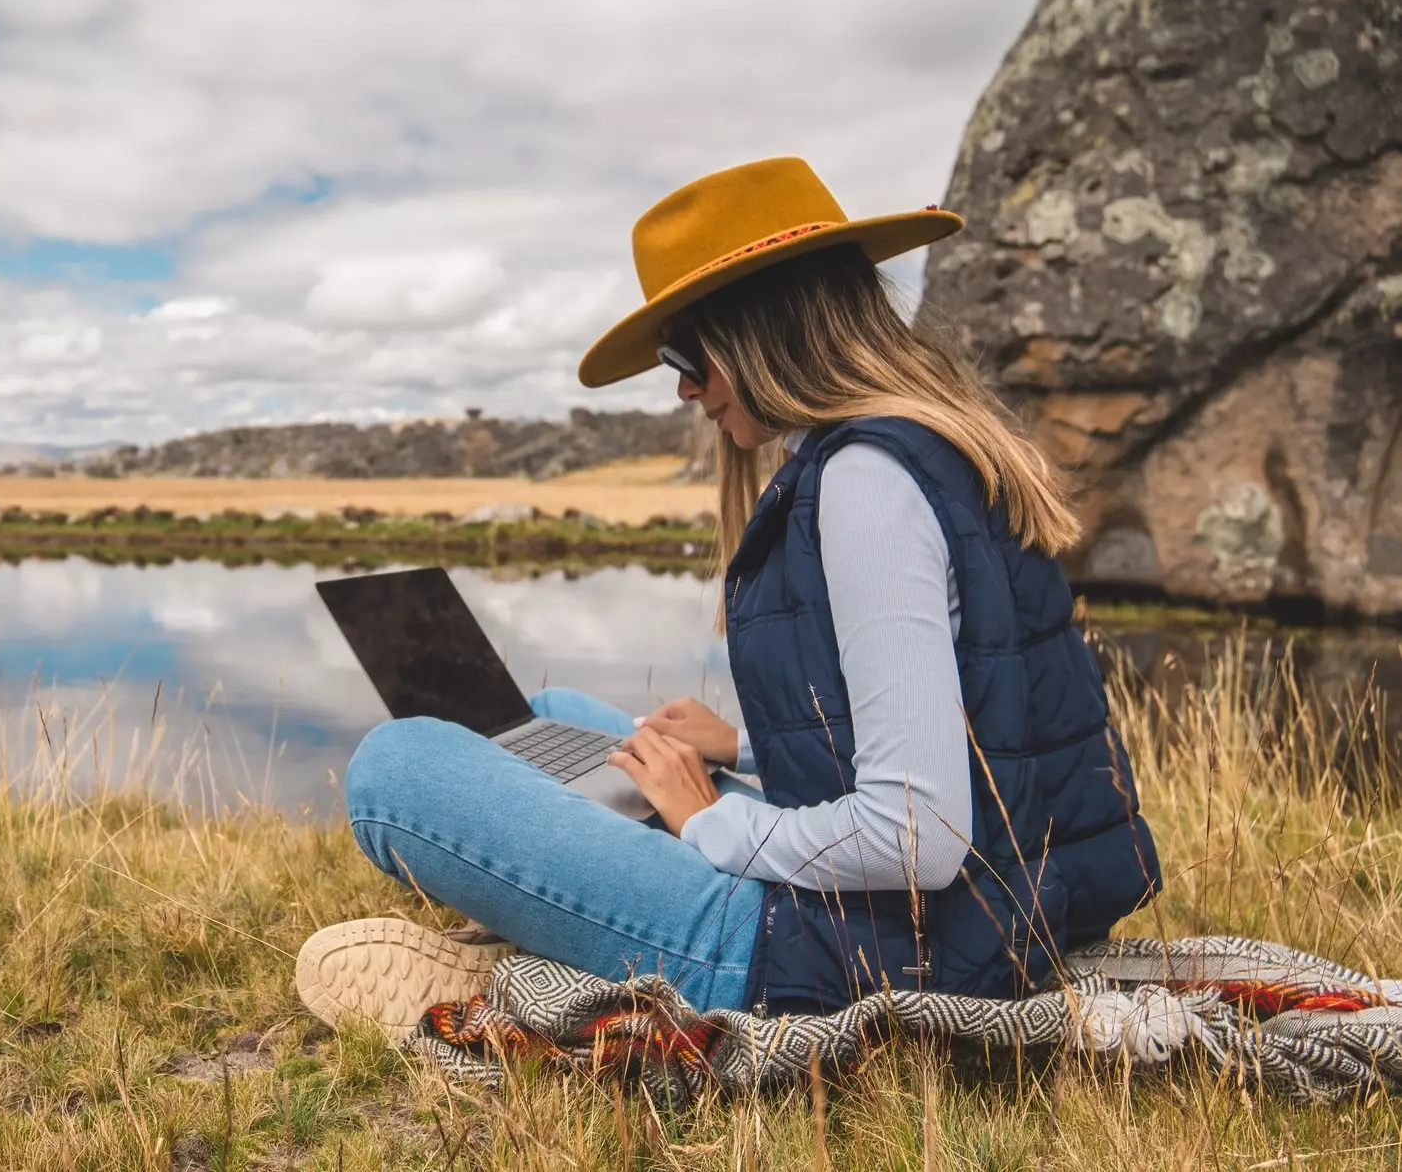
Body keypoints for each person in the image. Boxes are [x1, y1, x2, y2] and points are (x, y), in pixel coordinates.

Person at [295, 157, 1162, 1035]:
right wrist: (742, 744)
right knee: (551, 715)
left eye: (686, 353)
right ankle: (564, 908)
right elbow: (967, 724)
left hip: (853, 953)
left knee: (394, 768)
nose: (682, 386)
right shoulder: (920, 449)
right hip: (974, 914)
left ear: (759, 329)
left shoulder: (867, 481)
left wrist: (711, 822)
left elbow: (916, 835)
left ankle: (540, 947)